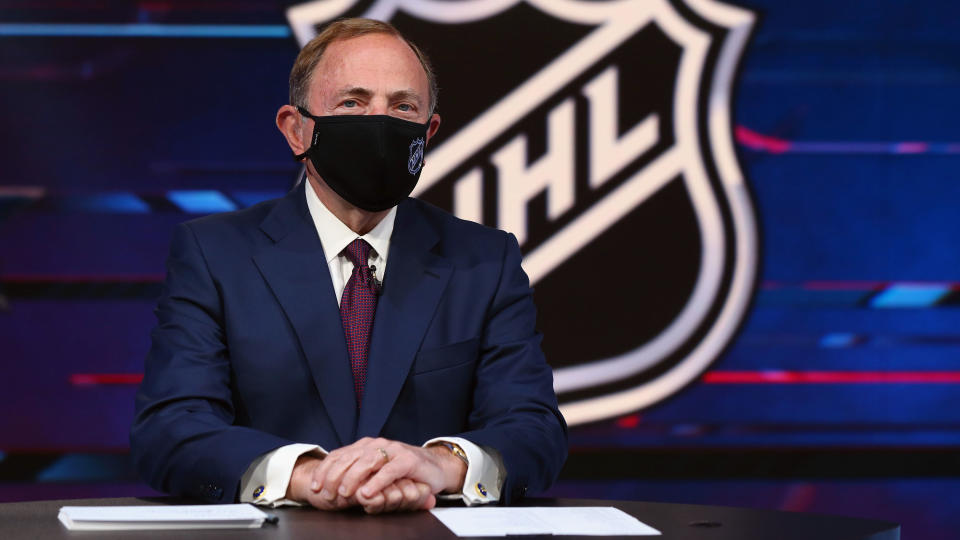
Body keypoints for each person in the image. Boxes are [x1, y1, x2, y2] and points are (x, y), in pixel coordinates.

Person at [130, 17, 567, 514]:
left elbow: (534, 428)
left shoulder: (484, 260)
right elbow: (171, 428)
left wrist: (439, 465)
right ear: (297, 130)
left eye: (403, 107)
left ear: (429, 132)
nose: (379, 124)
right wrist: (307, 475)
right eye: (352, 103)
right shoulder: (214, 254)